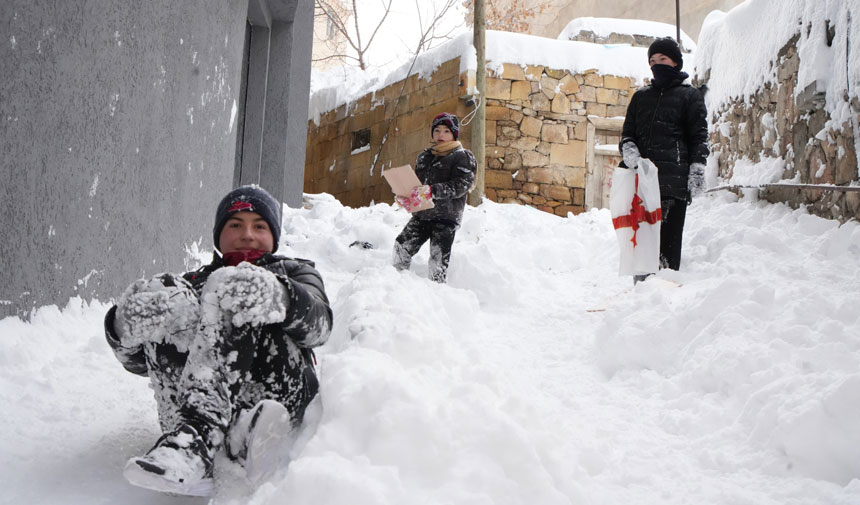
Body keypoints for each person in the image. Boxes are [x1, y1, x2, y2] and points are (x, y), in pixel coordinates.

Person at [104, 185, 332, 496]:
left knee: (236, 283)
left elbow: (319, 327)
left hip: (274, 403)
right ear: (219, 234)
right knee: (165, 288)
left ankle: (218, 438)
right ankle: (195, 440)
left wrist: (280, 295)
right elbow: (142, 365)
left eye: (259, 226)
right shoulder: (192, 285)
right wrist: (123, 329)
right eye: (235, 224)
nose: (247, 234)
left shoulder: (296, 272)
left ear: (274, 236)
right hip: (185, 418)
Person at [619, 37, 709, 282]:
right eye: (652, 60)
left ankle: (665, 295)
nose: (657, 64)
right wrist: (629, 150)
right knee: (642, 245)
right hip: (642, 183)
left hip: (673, 184)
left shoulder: (690, 96)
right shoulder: (640, 98)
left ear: (676, 62)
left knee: (667, 248)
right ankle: (641, 295)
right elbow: (628, 133)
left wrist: (697, 169)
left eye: (663, 59)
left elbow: (699, 137)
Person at [392, 112, 477, 283]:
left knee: (438, 259)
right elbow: (417, 186)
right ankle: (397, 283)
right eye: (437, 130)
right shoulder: (424, 157)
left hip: (446, 217)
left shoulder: (463, 156)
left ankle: (437, 294)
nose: (440, 135)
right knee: (402, 245)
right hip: (423, 214)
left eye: (446, 131)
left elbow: (461, 185)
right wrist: (407, 197)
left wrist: (433, 191)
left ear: (454, 134)